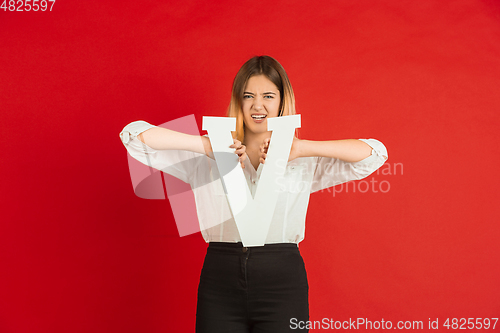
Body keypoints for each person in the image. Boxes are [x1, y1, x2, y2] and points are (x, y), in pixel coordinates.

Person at [119, 55, 388, 333]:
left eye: (268, 96)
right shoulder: (206, 157)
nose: (257, 105)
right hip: (220, 281)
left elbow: (375, 154)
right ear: (239, 101)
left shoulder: (302, 162)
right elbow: (133, 136)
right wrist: (204, 145)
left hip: (282, 282)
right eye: (248, 96)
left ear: (282, 102)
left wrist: (301, 148)